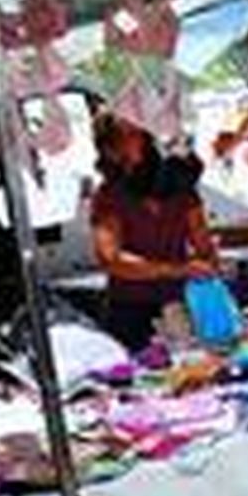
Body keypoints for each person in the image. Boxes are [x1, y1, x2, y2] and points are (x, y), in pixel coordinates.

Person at [89, 111, 220, 351]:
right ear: (111, 150)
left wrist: (208, 270)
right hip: (131, 311)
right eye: (129, 134)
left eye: (140, 132)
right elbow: (111, 259)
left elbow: (204, 244)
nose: (140, 137)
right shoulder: (109, 196)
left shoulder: (181, 189)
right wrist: (178, 269)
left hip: (180, 306)